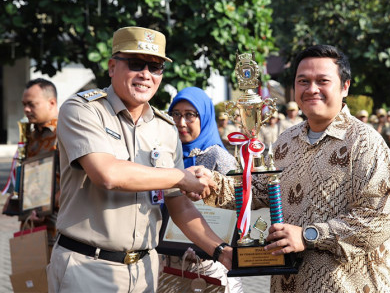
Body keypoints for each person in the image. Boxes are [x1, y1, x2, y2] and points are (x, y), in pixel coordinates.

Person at [46, 26, 232, 293]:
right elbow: (108, 175)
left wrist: (220, 249)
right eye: (136, 64)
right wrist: (182, 177)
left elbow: (179, 206)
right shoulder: (82, 110)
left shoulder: (165, 128)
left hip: (145, 269)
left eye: (155, 67)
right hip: (87, 266)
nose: (146, 75)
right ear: (112, 67)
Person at [202, 45, 390, 292]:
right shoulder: (287, 140)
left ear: (345, 86)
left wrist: (309, 235)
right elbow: (259, 190)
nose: (312, 89)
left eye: (322, 81)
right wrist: (209, 183)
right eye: (303, 81)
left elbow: (379, 220)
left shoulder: (366, 143)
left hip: (348, 285)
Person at [167, 86, 242, 293]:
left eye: (190, 115)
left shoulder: (219, 157)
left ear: (205, 117)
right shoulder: (164, 154)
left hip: (212, 262)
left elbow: (237, 204)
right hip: (169, 260)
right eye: (176, 114)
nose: (181, 123)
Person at [3, 78, 59, 244]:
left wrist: (44, 208)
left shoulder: (67, 133)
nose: (26, 110)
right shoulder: (31, 136)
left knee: (53, 269)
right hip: (30, 221)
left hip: (57, 224)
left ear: (51, 103)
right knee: (29, 269)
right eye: (23, 104)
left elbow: (78, 180)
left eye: (32, 104)